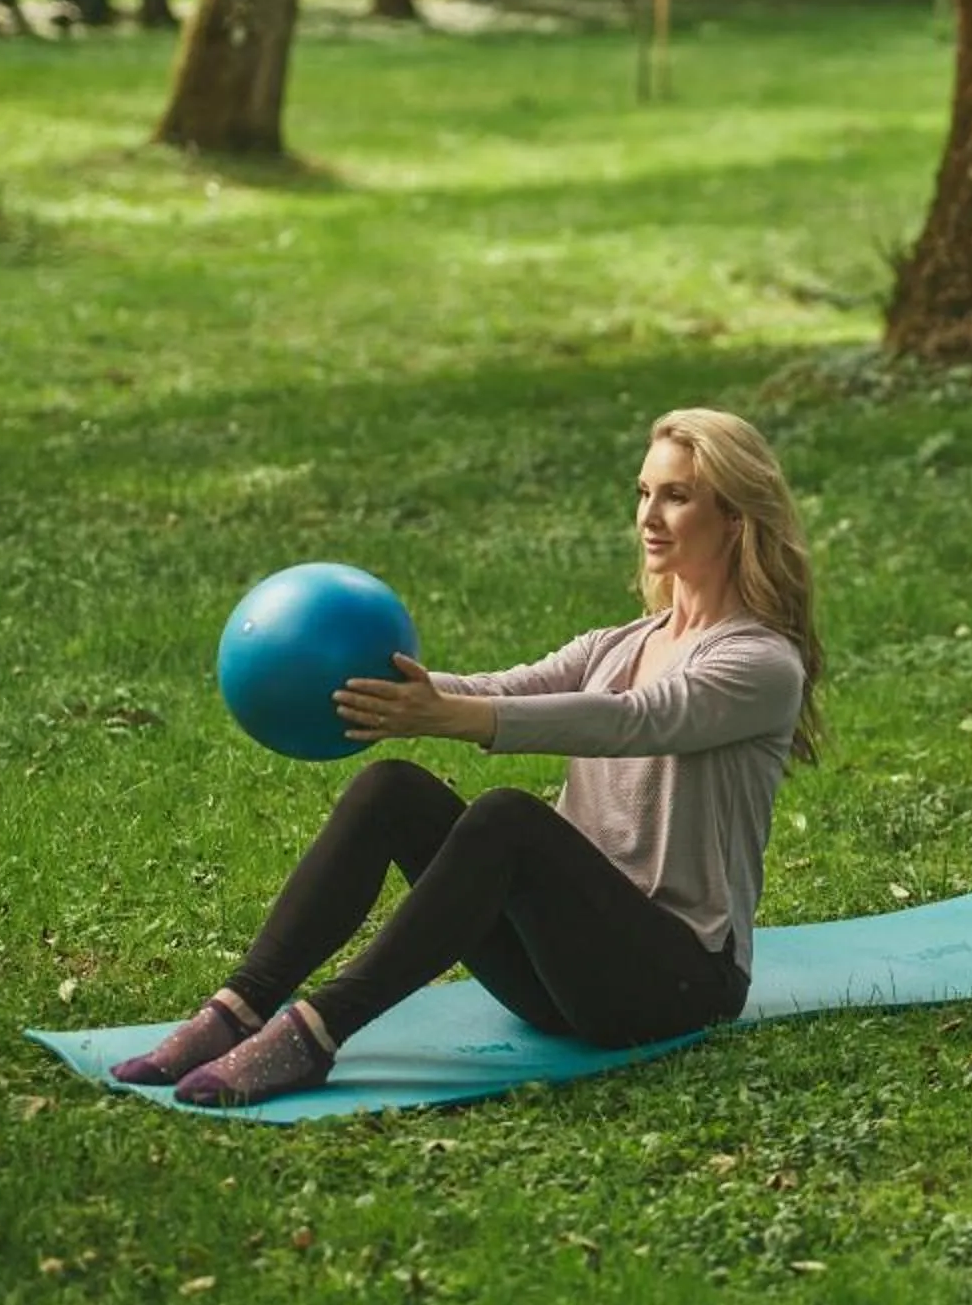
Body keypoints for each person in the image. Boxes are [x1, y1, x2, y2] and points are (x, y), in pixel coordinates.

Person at [109, 408, 824, 1108]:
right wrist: (399, 695)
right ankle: (238, 1009)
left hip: (677, 986)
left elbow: (633, 721)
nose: (649, 516)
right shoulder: (622, 643)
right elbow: (509, 686)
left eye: (676, 496)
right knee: (392, 789)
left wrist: (454, 718)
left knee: (507, 818)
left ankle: (316, 1034)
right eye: (643, 492)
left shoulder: (760, 662)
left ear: (734, 518)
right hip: (560, 977)